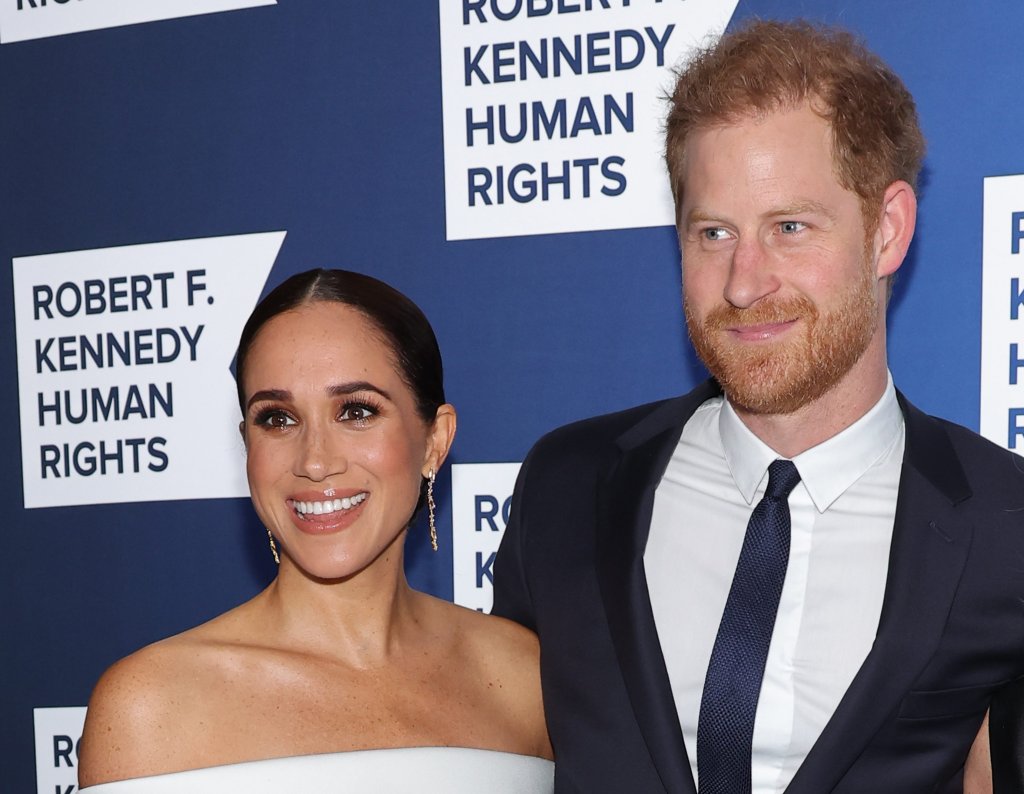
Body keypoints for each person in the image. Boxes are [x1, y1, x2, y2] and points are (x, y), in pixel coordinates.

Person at [492, 19, 1024, 794]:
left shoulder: (1005, 526)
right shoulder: (567, 487)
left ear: (888, 230)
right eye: (713, 232)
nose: (744, 282)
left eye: (789, 227)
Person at [78, 269, 553, 792]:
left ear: (435, 441)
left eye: (355, 411)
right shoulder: (152, 706)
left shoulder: (523, 675)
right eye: (278, 418)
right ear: (247, 445)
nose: (315, 461)